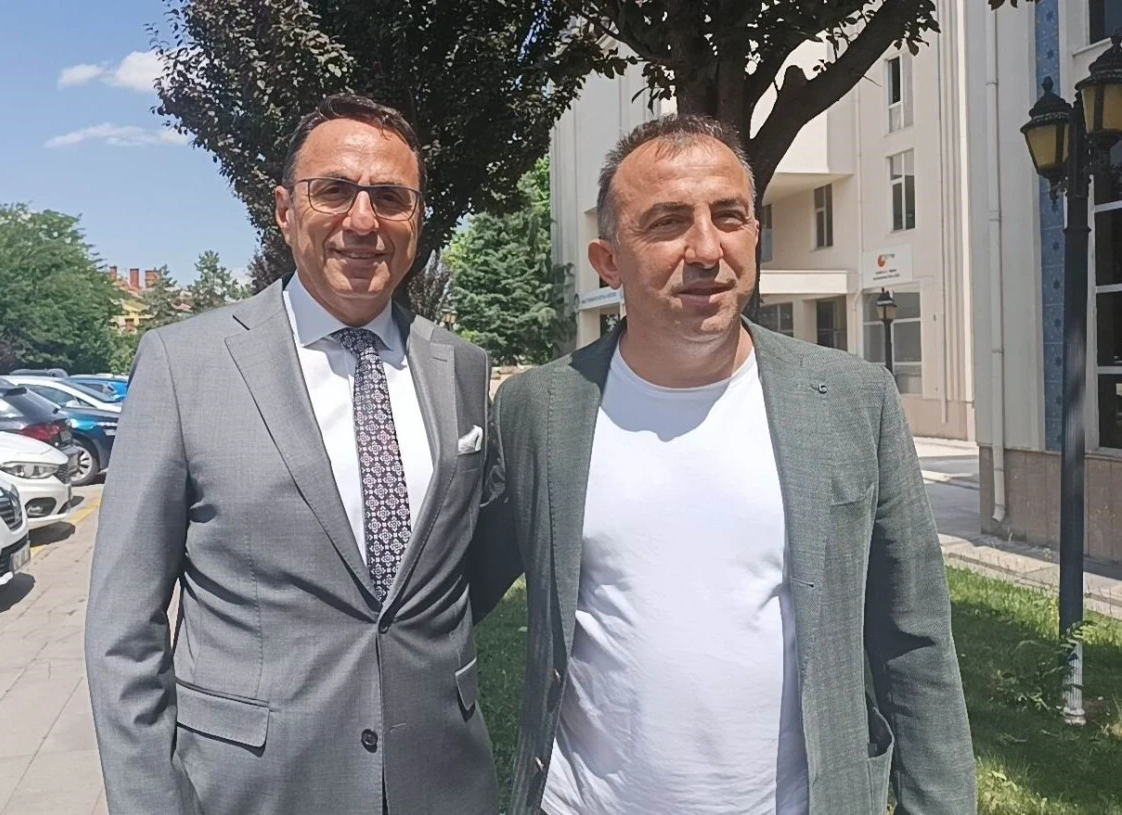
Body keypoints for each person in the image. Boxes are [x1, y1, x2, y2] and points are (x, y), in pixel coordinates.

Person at [472, 114, 976, 815]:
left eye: (729, 217)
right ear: (608, 260)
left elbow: (913, 639)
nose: (707, 248)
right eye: (668, 222)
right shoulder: (539, 409)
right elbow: (451, 598)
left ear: (755, 234)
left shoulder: (852, 401)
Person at [86, 94, 499, 815]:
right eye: (334, 190)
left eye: (390, 198)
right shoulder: (184, 364)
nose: (363, 221)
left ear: (417, 218)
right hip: (256, 786)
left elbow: (468, 565)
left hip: (441, 777)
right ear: (284, 210)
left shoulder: (460, 366)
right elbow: (123, 627)